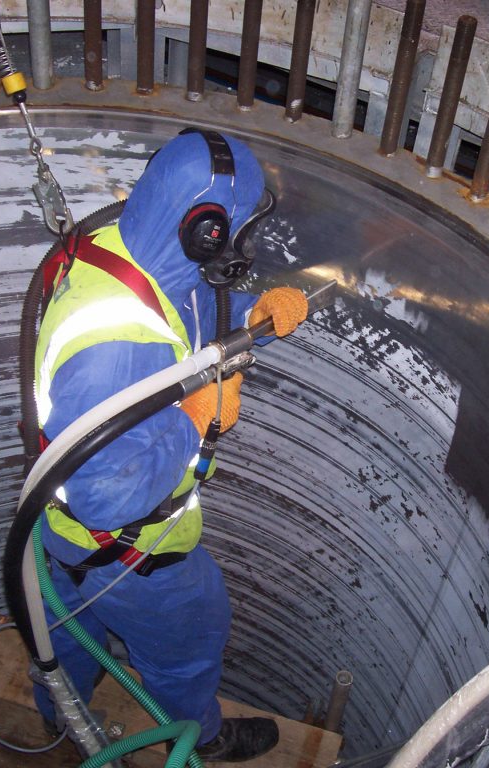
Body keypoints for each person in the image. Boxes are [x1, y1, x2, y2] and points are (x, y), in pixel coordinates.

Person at [31, 128, 308, 761]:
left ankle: (58, 719)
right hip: (129, 551)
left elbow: (178, 335)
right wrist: (193, 421)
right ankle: (200, 740)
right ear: (203, 229)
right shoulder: (114, 348)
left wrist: (252, 324)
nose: (243, 246)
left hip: (62, 536)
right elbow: (104, 497)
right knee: (188, 640)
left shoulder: (127, 259)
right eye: (236, 232)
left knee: (67, 639)